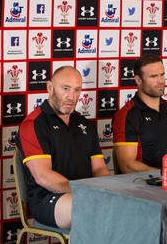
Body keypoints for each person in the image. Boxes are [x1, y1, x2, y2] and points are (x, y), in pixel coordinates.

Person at [16, 66, 109, 229]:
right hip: (47, 198)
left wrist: (100, 192)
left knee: (123, 207)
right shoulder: (34, 124)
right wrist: (86, 193)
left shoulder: (85, 124)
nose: (71, 97)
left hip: (86, 195)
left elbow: (100, 169)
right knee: (91, 209)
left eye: (77, 90)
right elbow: (43, 176)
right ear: (50, 87)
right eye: (65, 89)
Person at [112, 54, 167, 173]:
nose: (160, 81)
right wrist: (165, 175)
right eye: (153, 76)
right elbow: (127, 166)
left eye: (162, 74)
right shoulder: (128, 115)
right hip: (143, 185)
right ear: (138, 80)